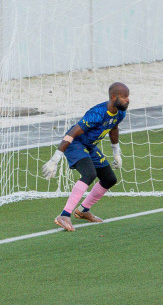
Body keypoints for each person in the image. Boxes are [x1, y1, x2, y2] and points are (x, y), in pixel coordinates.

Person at [44, 82, 130, 231]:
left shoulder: (120, 112)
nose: (127, 100)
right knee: (89, 174)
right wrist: (54, 160)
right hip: (75, 144)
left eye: (128, 96)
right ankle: (64, 215)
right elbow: (72, 133)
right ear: (113, 97)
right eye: (124, 97)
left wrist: (116, 152)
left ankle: (83, 210)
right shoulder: (96, 114)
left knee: (109, 179)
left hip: (89, 146)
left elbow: (113, 127)